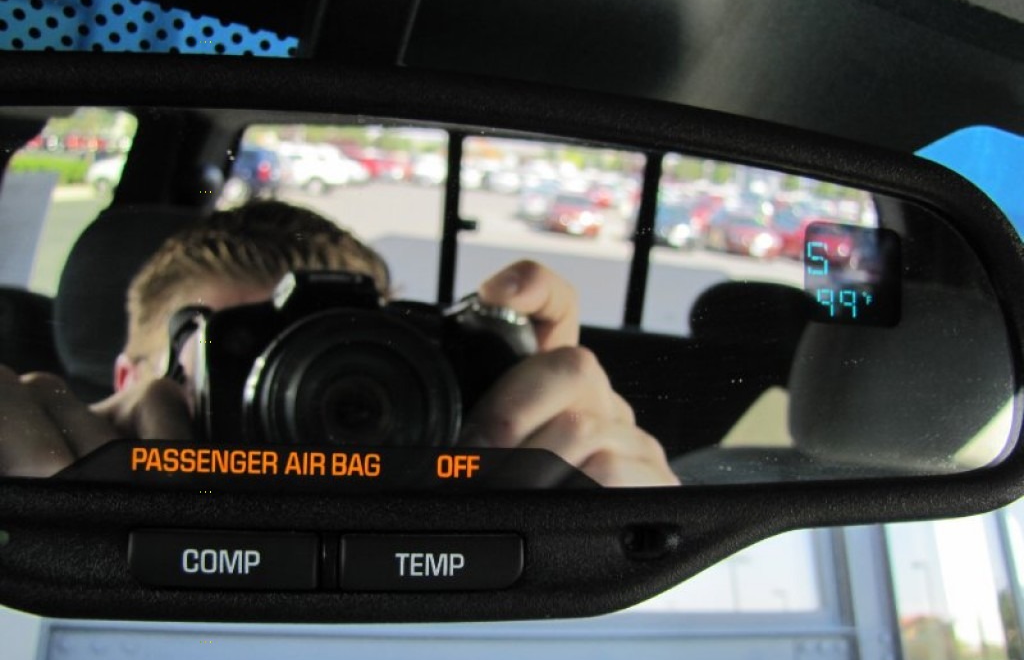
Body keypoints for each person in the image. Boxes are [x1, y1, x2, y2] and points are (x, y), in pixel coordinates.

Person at [0, 201, 678, 486]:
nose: (303, 422)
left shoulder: (455, 509)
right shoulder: (67, 489)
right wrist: (49, 507)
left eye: (349, 370)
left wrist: (605, 533)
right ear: (126, 384)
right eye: (223, 357)